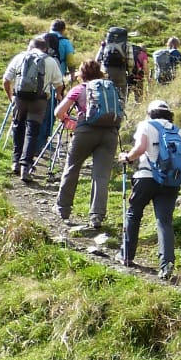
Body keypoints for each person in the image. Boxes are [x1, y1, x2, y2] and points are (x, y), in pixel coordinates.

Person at [53, 58, 122, 234]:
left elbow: (58, 112)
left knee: (72, 168)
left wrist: (70, 121)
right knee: (101, 175)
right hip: (110, 133)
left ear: (81, 75)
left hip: (85, 131)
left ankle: (63, 209)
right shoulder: (109, 88)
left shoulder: (79, 89)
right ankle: (97, 216)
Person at [120, 100, 181, 281]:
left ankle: (126, 255)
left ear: (150, 112)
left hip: (147, 176)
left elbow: (140, 148)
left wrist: (127, 157)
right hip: (170, 180)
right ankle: (167, 265)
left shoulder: (146, 124)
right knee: (164, 221)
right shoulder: (176, 129)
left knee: (134, 213)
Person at [1, 34, 63, 182]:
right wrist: (58, 95)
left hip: (20, 98)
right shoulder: (50, 61)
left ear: (31, 46)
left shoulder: (20, 57)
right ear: (45, 48)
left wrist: (11, 97)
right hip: (39, 101)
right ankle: (25, 167)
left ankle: (15, 162)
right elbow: (59, 84)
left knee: (18, 127)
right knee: (32, 132)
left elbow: (6, 80)